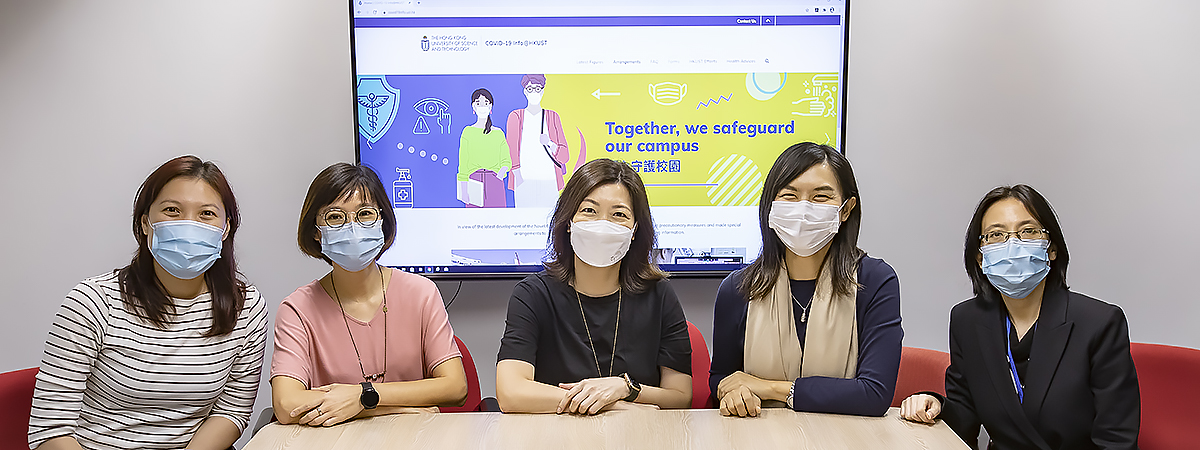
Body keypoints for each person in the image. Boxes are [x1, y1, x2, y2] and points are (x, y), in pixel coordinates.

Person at [28, 156, 268, 450]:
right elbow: (49, 430)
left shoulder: (246, 306)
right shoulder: (92, 301)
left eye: (206, 213)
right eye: (172, 210)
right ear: (145, 222)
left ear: (226, 228)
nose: (189, 225)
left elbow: (231, 411)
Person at [900, 185, 1139, 450]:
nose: (1012, 244)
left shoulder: (1100, 323)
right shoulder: (967, 320)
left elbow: (1117, 442)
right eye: (996, 235)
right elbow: (964, 419)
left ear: (1052, 249)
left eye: (1028, 231)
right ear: (980, 257)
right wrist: (936, 405)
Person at [709, 142, 902, 417]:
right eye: (789, 195)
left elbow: (873, 394)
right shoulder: (737, 288)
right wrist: (733, 393)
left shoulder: (875, 281)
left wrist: (773, 389)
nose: (803, 209)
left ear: (846, 210)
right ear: (770, 206)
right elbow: (722, 380)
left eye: (820, 197)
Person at [271, 163, 468, 426]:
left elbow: (455, 387)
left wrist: (361, 397)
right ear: (316, 232)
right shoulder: (297, 309)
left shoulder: (421, 293)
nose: (352, 227)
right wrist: (382, 408)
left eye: (365, 214)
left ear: (383, 222)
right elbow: (287, 406)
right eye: (335, 217)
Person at [495, 158, 692, 414]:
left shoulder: (659, 294)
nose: (602, 225)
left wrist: (626, 388)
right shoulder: (533, 294)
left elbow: (680, 396)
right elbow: (510, 392)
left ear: (634, 231)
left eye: (619, 214)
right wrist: (609, 407)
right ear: (568, 222)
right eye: (589, 211)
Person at [506, 74, 569, 207]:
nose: (534, 92)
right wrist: (517, 175)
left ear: (543, 90)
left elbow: (565, 155)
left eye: (538, 88)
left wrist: (550, 144)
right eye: (530, 89)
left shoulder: (553, 116)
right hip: (523, 179)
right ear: (524, 91)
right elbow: (511, 148)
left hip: (549, 179)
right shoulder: (516, 116)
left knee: (551, 221)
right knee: (522, 220)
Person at [456, 88, 511, 207]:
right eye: (478, 103)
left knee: (498, 221)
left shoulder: (498, 133)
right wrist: (464, 190)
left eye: (486, 103)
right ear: (473, 107)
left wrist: (499, 175)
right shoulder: (468, 132)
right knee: (473, 221)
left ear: (491, 107)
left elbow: (506, 161)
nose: (482, 106)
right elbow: (463, 164)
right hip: (474, 181)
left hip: (494, 181)